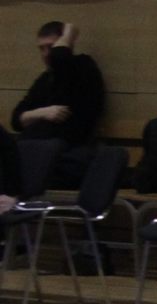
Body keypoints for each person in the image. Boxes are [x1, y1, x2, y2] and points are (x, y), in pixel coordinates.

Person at [9, 20, 107, 188]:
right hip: (37, 151)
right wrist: (42, 113)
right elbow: (16, 120)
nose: (46, 54)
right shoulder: (45, 79)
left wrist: (68, 34)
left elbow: (60, 58)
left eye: (51, 47)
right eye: (42, 48)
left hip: (68, 152)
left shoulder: (83, 67)